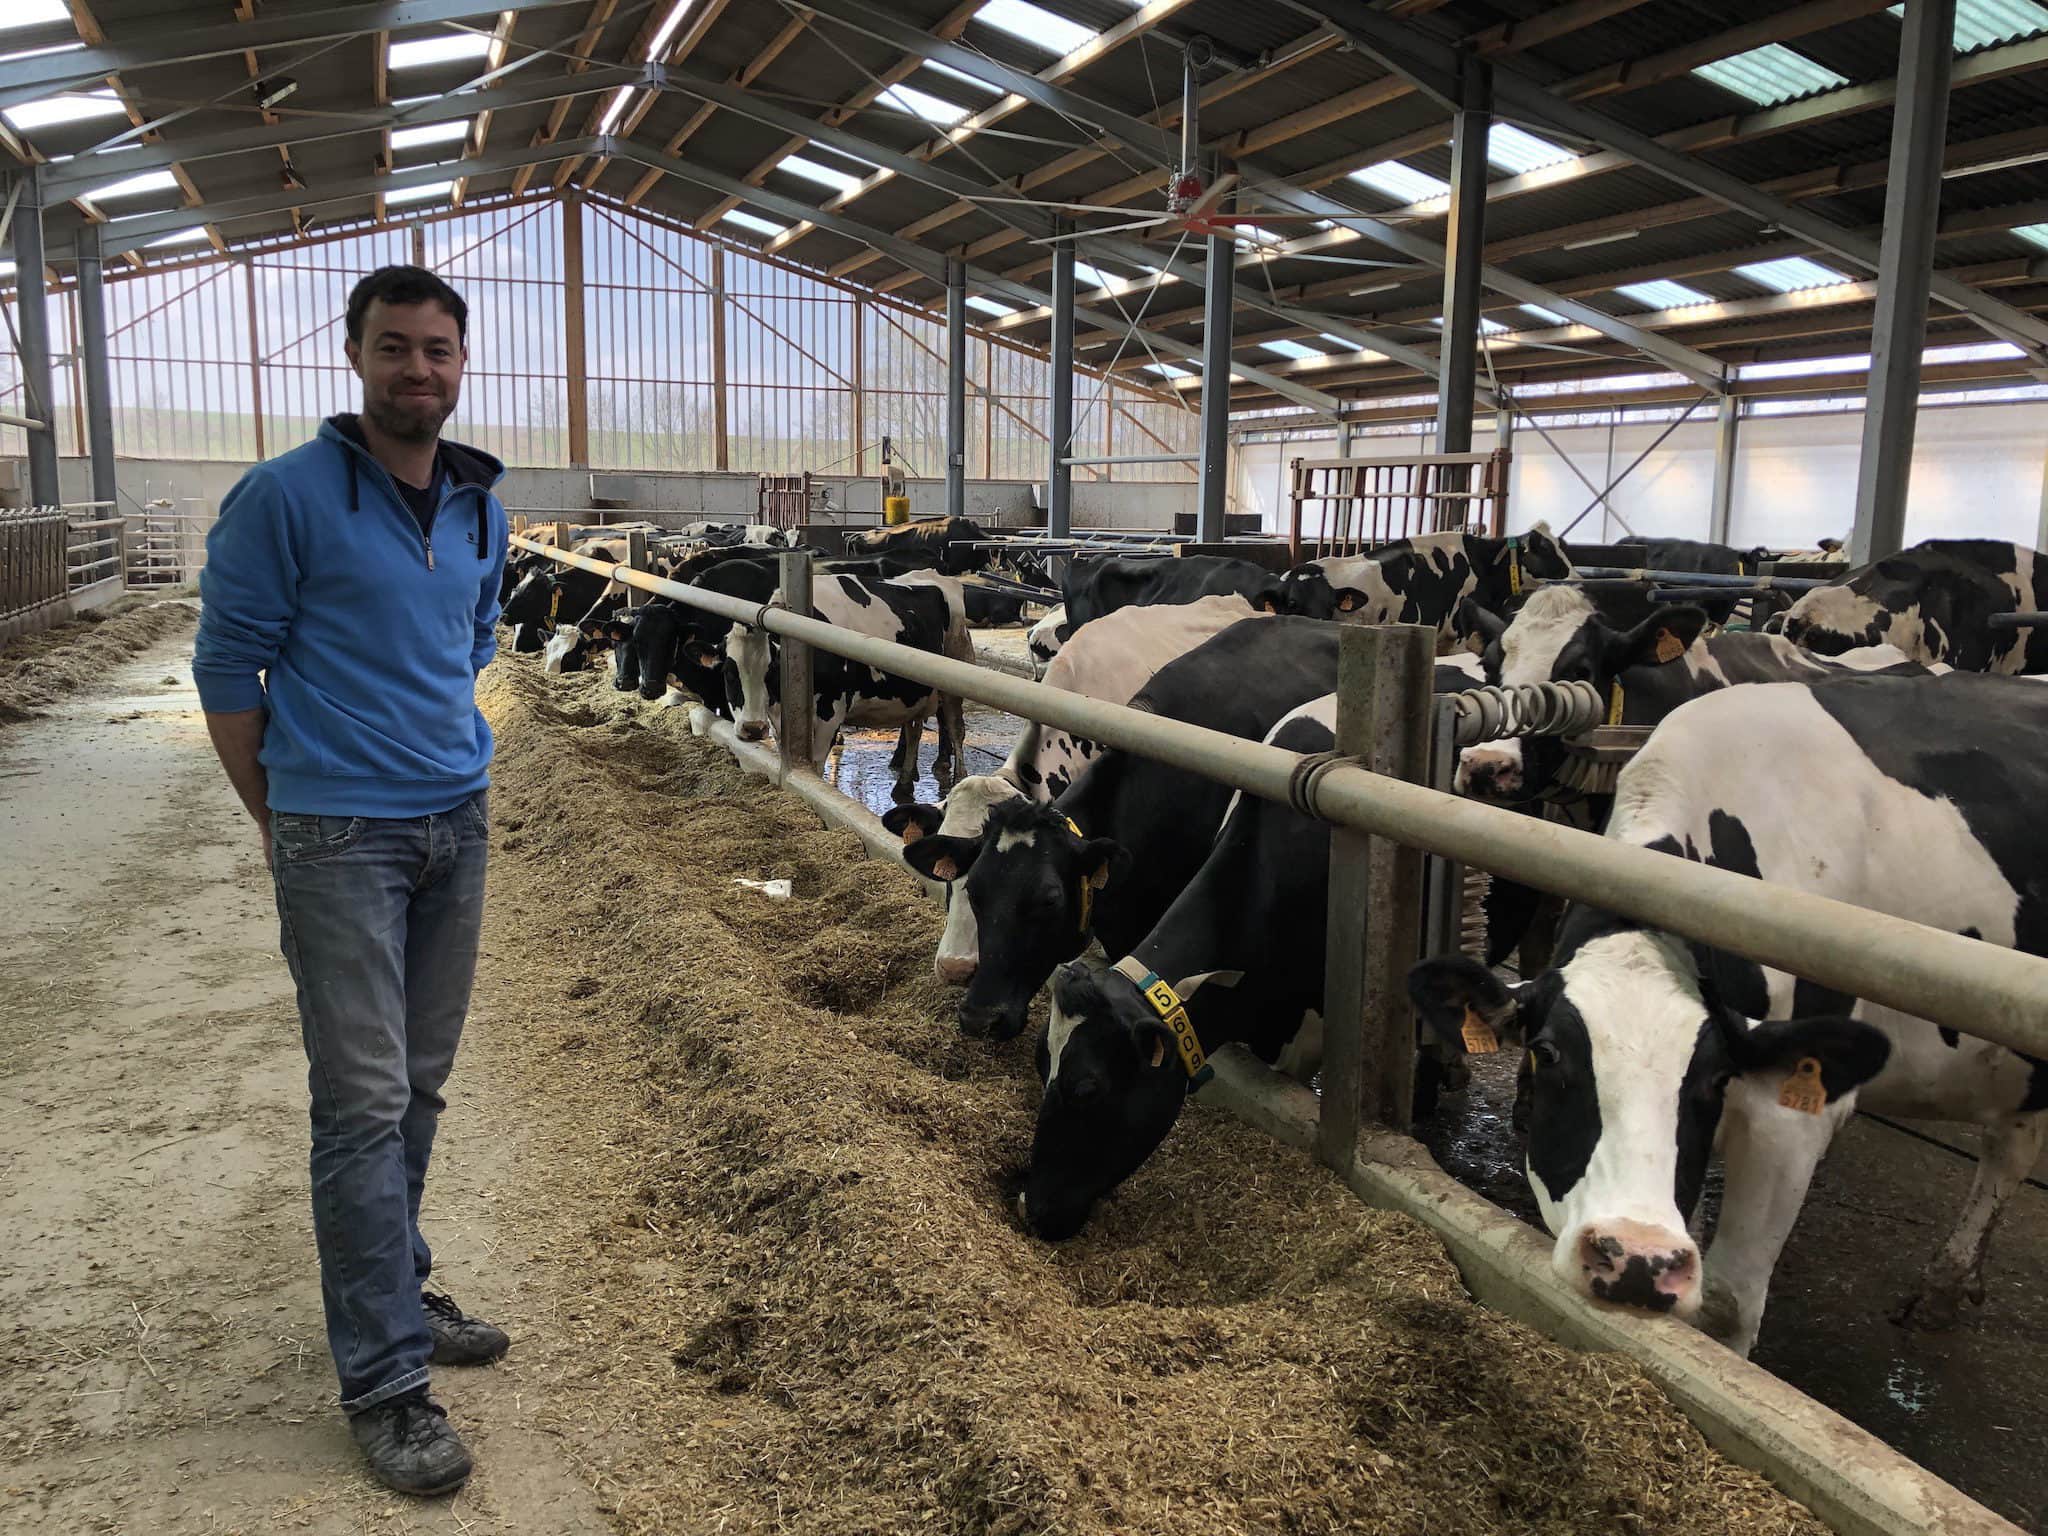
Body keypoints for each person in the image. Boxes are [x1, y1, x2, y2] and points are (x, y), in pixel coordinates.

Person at [193, 265, 511, 1496]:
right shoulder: (284, 496)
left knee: (417, 1086)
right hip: (339, 835)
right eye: (394, 347)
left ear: (460, 363)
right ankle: (383, 1379)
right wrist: (283, 816)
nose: (416, 369)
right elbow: (227, 670)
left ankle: (396, 1285)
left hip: (455, 824)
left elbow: (469, 642)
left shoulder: (480, 504)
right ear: (355, 356)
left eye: (437, 349)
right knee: (363, 1101)